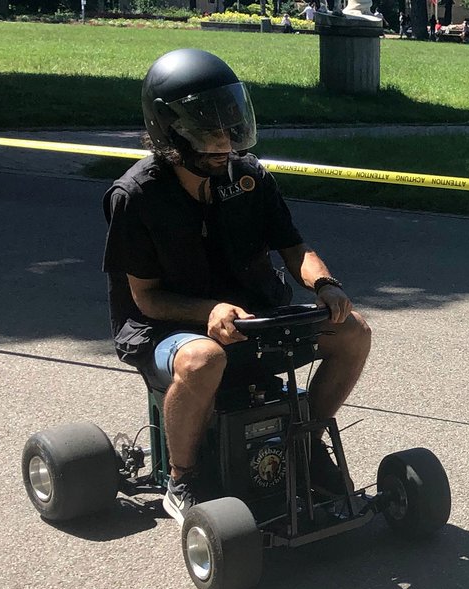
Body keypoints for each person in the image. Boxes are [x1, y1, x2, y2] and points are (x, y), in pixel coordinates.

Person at [102, 49, 371, 524]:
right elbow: (145, 298)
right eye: (210, 130)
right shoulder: (137, 197)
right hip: (164, 330)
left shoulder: (247, 177)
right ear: (172, 130)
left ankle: (305, 441)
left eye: (229, 126)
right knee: (205, 358)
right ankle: (182, 479)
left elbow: (294, 249)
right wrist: (208, 310)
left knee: (354, 332)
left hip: (255, 319)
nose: (225, 142)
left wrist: (325, 285)